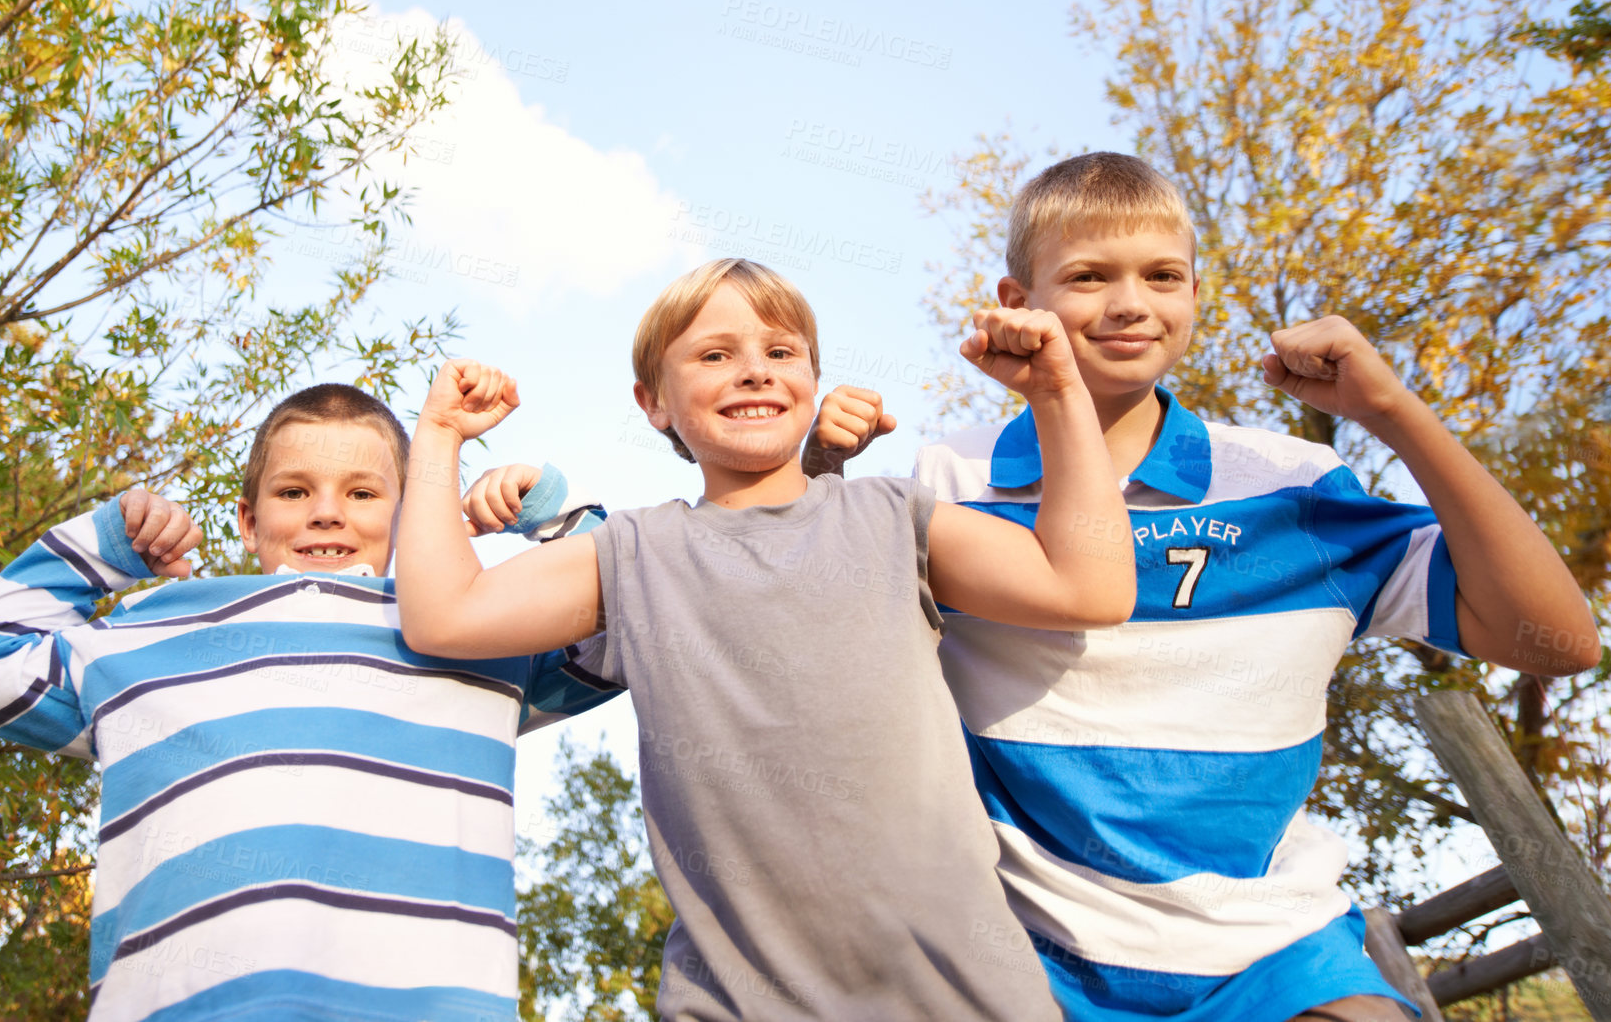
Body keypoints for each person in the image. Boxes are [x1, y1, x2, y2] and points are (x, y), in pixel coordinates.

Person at [806, 152, 1602, 1022]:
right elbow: (811, 645)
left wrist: (1395, 413)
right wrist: (813, 478)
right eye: (1087, 276)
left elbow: (1558, 642)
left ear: (1193, 292)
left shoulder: (1291, 481)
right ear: (1016, 299)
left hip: (1267, 950)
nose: (1129, 302)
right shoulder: (950, 480)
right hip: (1020, 951)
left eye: (1162, 275)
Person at [394, 258, 1137, 1021]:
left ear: (812, 379)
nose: (754, 371)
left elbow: (1091, 586)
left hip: (967, 999)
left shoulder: (892, 519)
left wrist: (1057, 393)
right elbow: (443, 613)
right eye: (715, 355)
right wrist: (441, 433)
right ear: (653, 402)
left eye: (781, 353)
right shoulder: (632, 554)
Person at [0, 382, 615, 1022]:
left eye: (364, 493)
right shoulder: (150, 628)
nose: (325, 511)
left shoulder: (471, 632)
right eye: (293, 491)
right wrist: (107, 544)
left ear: (411, 522)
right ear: (249, 521)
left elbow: (631, 627)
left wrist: (548, 508)